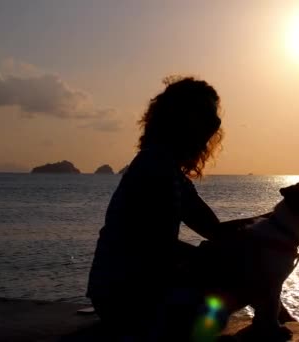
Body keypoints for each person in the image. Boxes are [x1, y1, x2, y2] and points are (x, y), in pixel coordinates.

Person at [86, 76, 249, 340]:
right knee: (234, 286)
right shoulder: (154, 167)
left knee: (238, 279)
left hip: (137, 290)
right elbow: (155, 247)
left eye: (215, 118)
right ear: (178, 118)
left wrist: (277, 220)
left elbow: (213, 229)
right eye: (206, 115)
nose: (214, 125)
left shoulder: (172, 173)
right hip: (124, 297)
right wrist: (210, 258)